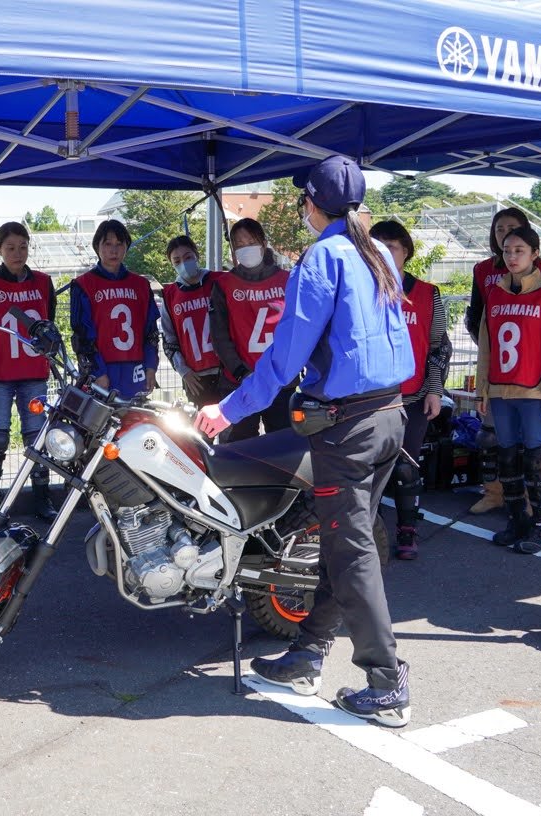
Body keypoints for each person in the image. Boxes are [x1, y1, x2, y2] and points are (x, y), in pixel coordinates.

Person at [196, 156, 414, 727]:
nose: (301, 208)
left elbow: (285, 355)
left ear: (313, 204)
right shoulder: (377, 254)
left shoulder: (324, 257)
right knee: (340, 543)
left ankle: (387, 682)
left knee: (352, 552)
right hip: (390, 415)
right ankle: (307, 653)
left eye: (303, 200)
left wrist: (228, 409)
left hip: (348, 428)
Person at [475, 226, 541, 555]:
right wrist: (482, 390)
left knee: (535, 457)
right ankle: (517, 518)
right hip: (501, 390)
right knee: (506, 456)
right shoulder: (495, 295)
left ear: (534, 254)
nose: (512, 256)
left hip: (533, 392)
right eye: (507, 250)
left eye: (519, 250)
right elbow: (486, 348)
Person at [0, 221, 58, 520]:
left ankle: (41, 498)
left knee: (37, 437)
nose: (17, 253)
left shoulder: (43, 282)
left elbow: (47, 323)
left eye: (22, 247)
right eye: (10, 248)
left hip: (33, 373)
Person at [464, 208, 541, 515]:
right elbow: (475, 315)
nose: (505, 233)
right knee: (492, 437)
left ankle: (532, 501)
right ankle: (494, 492)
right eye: (500, 229)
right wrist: (489, 349)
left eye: (512, 228)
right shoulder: (482, 269)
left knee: (531, 444)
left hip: (528, 375)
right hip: (497, 369)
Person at [369, 220, 451, 560]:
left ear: (407, 252)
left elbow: (440, 348)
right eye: (379, 247)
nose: (387, 254)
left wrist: (434, 390)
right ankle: (369, 532)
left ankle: (407, 529)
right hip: (370, 400)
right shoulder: (361, 292)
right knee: (367, 470)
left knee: (405, 468)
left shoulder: (428, 294)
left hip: (413, 397)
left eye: (394, 248)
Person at [209, 217, 296, 440]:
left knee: (283, 449)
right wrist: (240, 372)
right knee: (238, 453)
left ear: (263, 242)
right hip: (239, 383)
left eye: (250, 241)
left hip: (280, 383)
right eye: (239, 244)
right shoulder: (224, 285)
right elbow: (219, 336)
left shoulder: (287, 279)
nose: (245, 248)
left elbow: (298, 330)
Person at [69, 219, 159, 397]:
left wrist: (151, 366)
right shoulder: (83, 285)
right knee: (99, 423)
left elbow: (151, 332)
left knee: (136, 422)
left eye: (119, 244)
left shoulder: (140, 284)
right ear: (97, 247)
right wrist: (97, 371)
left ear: (127, 246)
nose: (114, 250)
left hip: (135, 369)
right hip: (103, 370)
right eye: (108, 243)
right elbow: (82, 336)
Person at [159, 234, 225, 407]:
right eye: (177, 260)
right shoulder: (169, 295)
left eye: (188, 257)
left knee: (233, 432)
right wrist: (183, 371)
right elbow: (169, 339)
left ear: (197, 255)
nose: (183, 263)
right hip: (196, 378)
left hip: (226, 373)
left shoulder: (220, 281)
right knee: (201, 432)